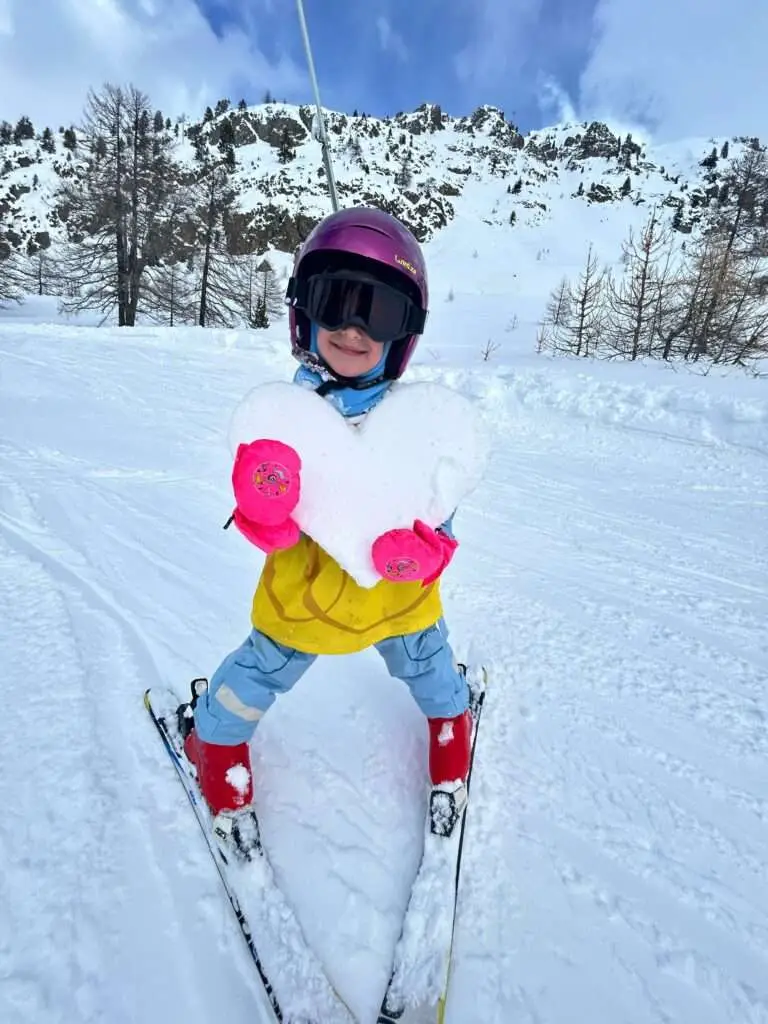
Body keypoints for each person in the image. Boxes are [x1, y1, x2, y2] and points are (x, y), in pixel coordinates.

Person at [182, 206, 472, 823]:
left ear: (404, 334)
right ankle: (217, 747)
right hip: (304, 604)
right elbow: (269, 526)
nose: (354, 328)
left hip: (399, 602)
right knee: (256, 673)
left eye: (381, 312)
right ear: (303, 310)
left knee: (434, 671)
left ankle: (451, 736)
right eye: (336, 300)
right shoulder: (282, 420)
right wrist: (265, 508)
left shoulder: (416, 425)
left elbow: (441, 511)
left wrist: (428, 550)